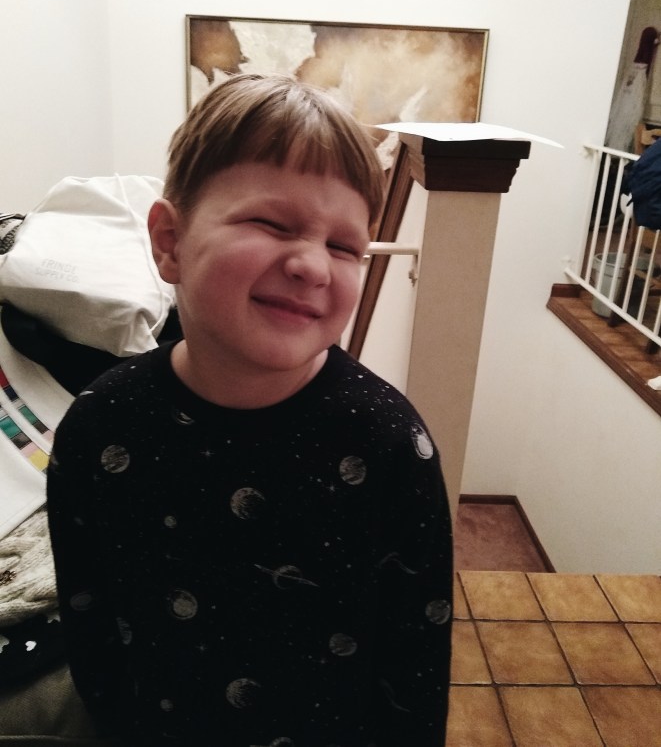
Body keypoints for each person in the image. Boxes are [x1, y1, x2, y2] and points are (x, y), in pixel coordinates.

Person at [47, 73, 453, 747]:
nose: (313, 266)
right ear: (169, 241)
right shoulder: (99, 426)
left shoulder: (390, 444)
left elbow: (416, 659)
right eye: (271, 223)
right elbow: (89, 623)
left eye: (344, 246)